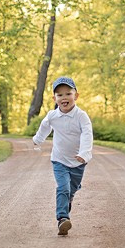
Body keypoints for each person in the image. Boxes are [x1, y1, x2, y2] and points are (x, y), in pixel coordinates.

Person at [32, 76, 93, 236]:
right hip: (59, 160)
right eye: (59, 95)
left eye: (68, 93)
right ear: (54, 98)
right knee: (63, 188)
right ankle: (62, 219)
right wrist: (38, 140)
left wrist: (85, 153)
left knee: (71, 189)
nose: (64, 98)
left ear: (76, 96)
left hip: (78, 161)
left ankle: (67, 201)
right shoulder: (53, 116)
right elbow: (44, 127)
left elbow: (87, 134)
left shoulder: (81, 116)